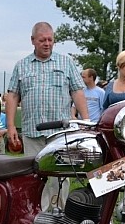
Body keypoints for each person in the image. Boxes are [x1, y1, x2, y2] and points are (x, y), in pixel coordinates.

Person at [5, 21, 88, 211]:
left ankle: (59, 214)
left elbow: (77, 92)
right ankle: (36, 214)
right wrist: (10, 126)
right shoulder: (21, 65)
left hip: (60, 132)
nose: (47, 44)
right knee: (34, 175)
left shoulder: (66, 63)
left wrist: (85, 121)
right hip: (32, 131)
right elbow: (13, 95)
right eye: (42, 40)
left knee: (60, 176)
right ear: (33, 40)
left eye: (50, 40)